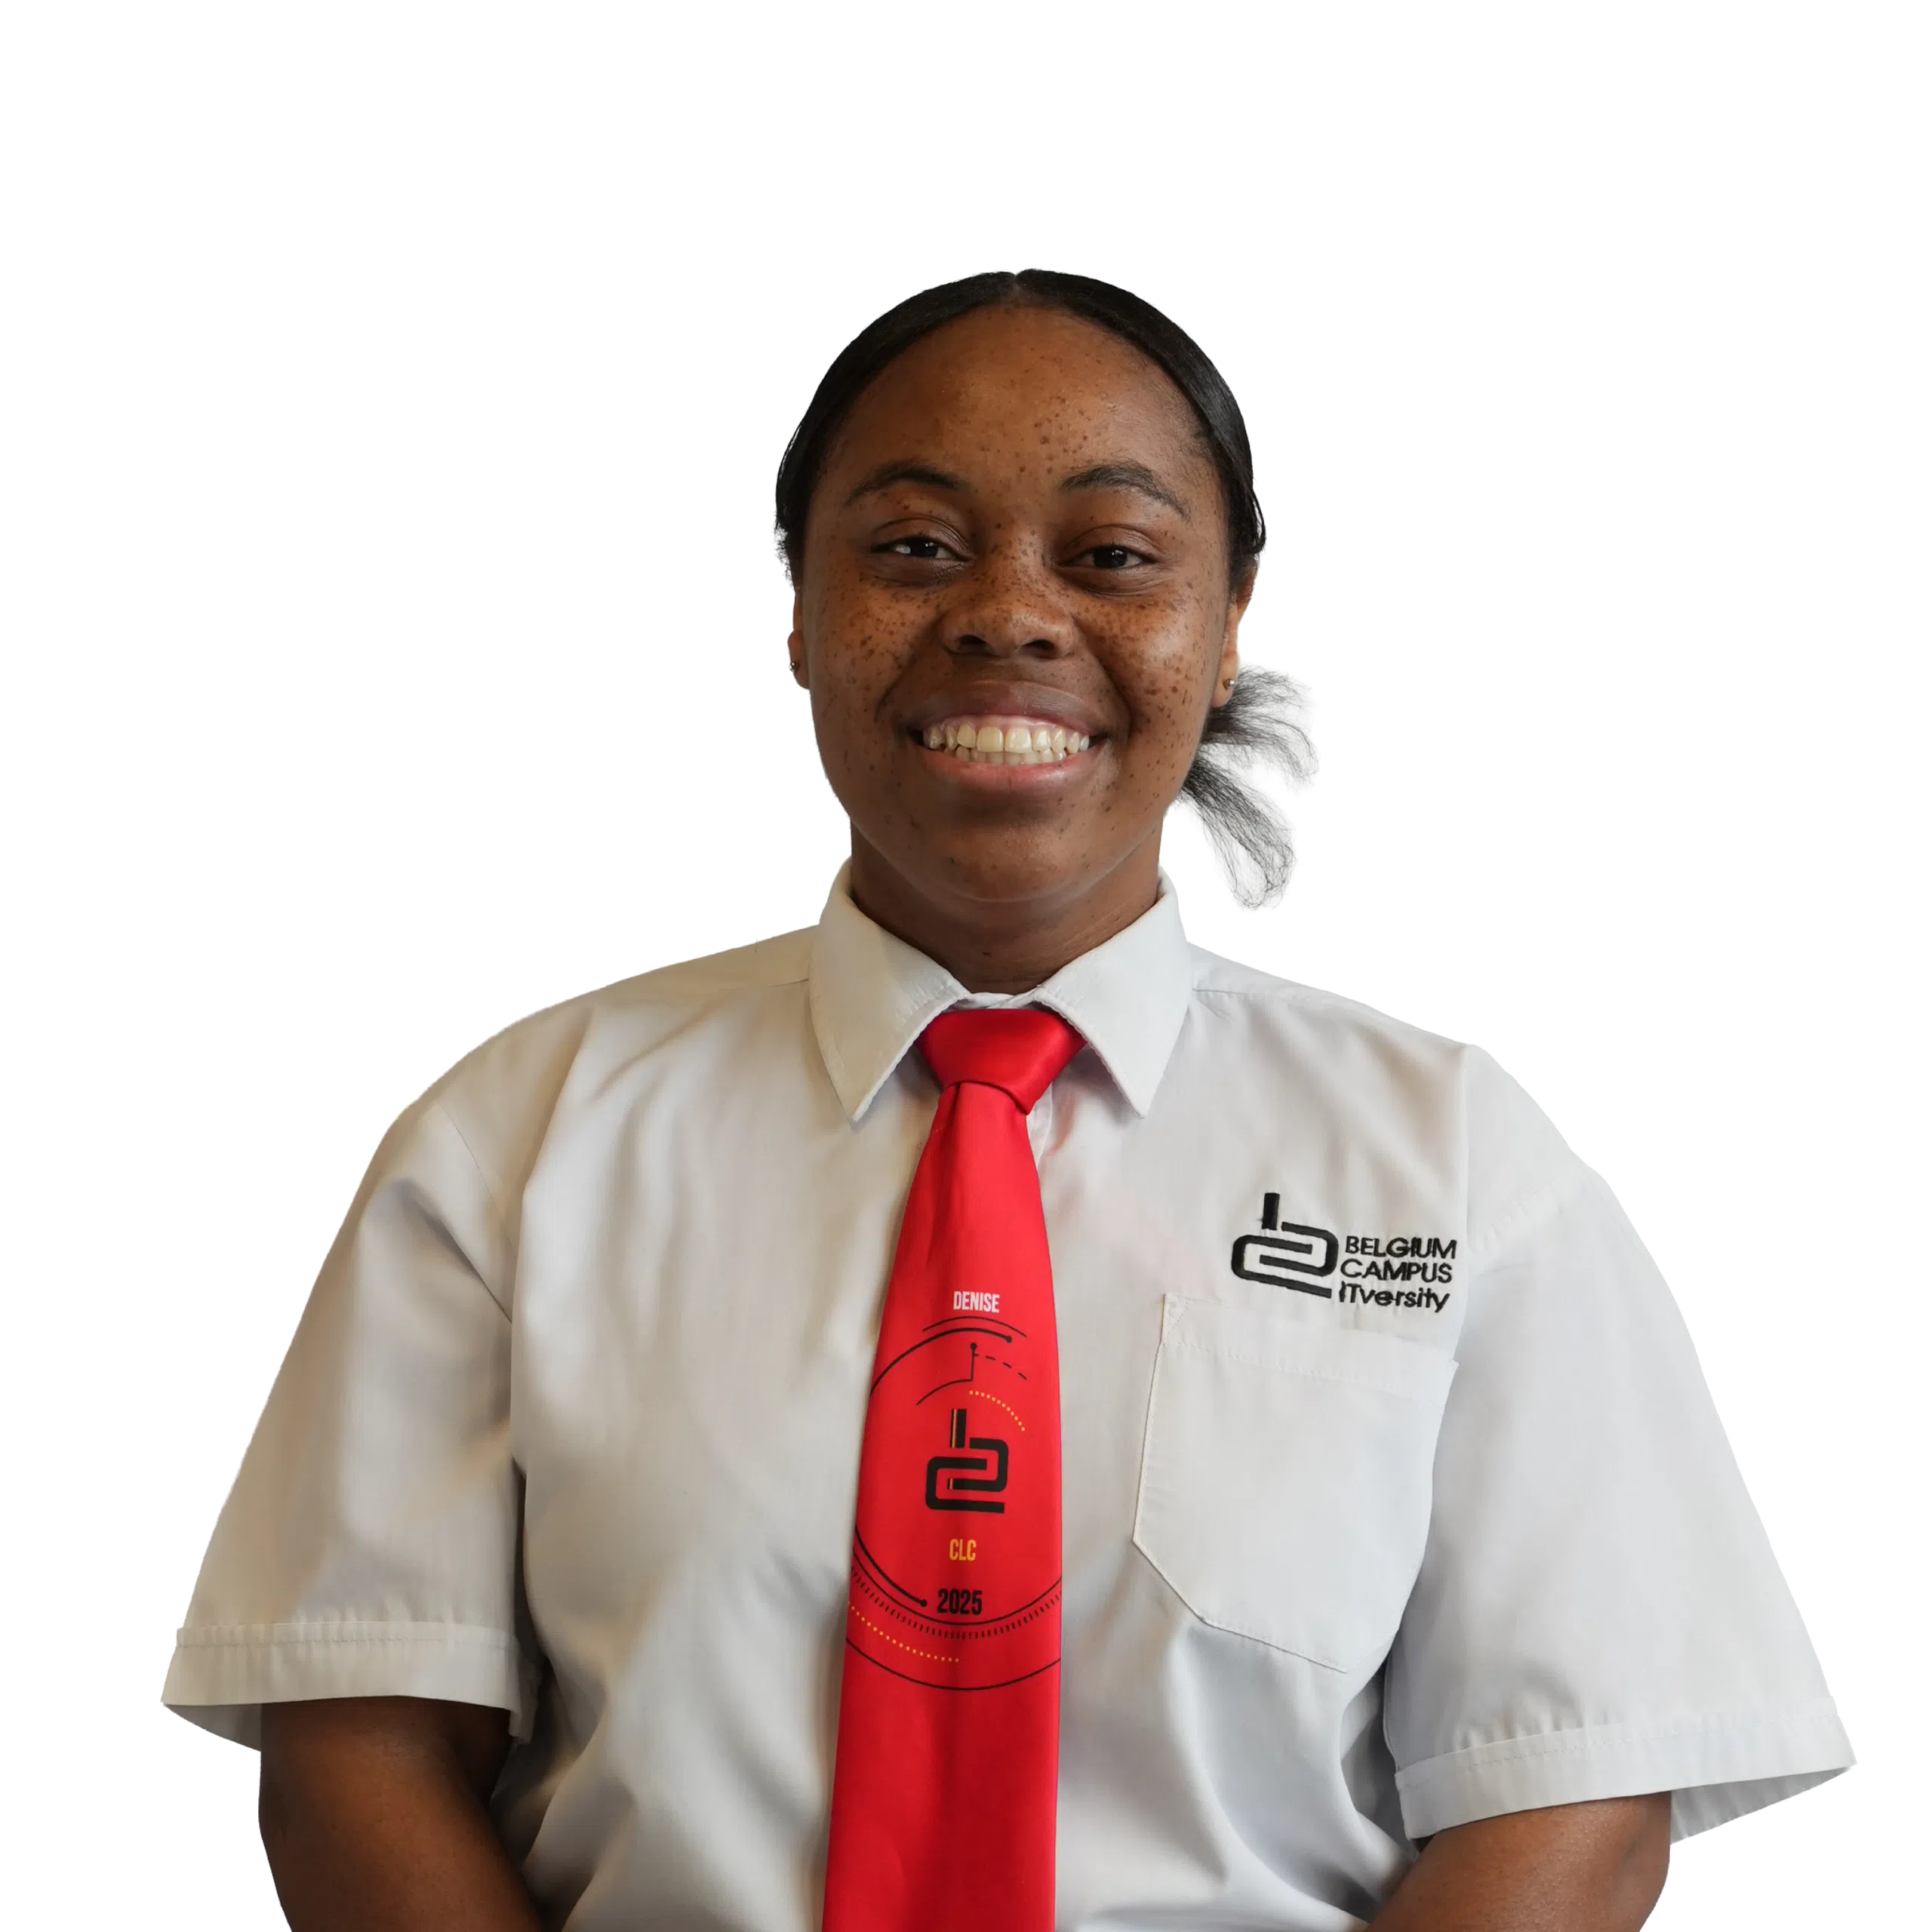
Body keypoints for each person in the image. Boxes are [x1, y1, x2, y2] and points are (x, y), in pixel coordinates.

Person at [158, 268, 1854, 1930]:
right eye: (912, 547)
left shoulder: (1459, 1157)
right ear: (798, 615)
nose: (1008, 615)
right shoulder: (514, 1139)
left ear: (1229, 621)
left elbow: (1569, 1790)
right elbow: (360, 1741)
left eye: (1110, 555)